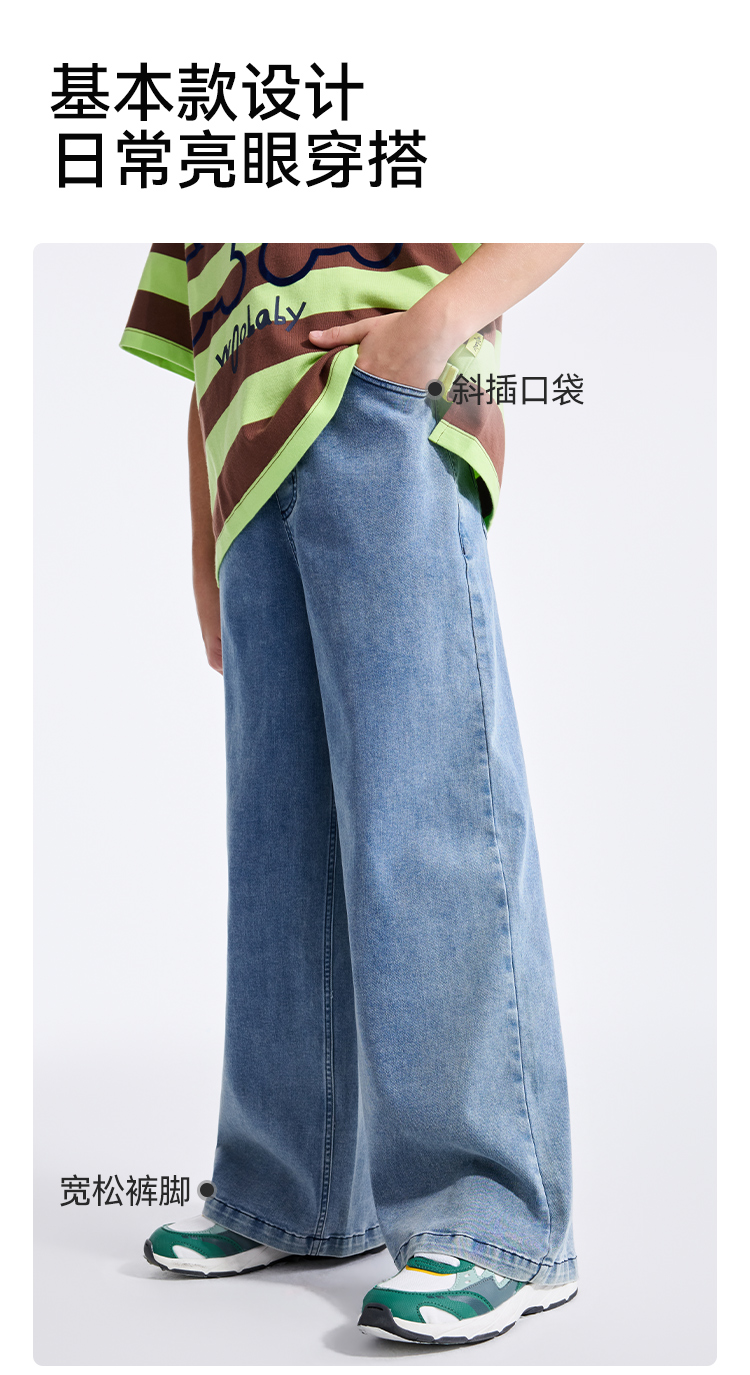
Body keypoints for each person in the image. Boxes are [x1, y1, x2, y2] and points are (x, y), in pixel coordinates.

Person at [120, 242, 582, 1347]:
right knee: (280, 844)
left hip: (380, 411)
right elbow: (202, 355)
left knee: (427, 815)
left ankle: (496, 1223)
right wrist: (206, 540)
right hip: (250, 480)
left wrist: (429, 331)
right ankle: (296, 1187)